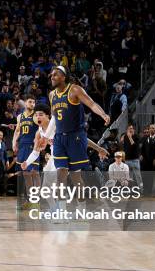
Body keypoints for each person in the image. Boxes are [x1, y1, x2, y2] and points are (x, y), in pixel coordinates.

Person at [41, 66, 110, 199]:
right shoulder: (51, 95)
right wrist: (47, 136)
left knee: (75, 176)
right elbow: (54, 118)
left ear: (64, 77)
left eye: (55, 74)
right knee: (60, 174)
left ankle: (82, 207)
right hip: (59, 138)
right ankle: (61, 213)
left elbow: (92, 104)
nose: (52, 77)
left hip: (75, 137)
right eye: (51, 75)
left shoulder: (74, 89)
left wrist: (103, 114)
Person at [12, 95, 40, 199]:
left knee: (34, 172)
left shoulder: (36, 115)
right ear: (25, 103)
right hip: (23, 145)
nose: (32, 104)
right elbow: (17, 130)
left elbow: (41, 128)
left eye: (34, 102)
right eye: (30, 102)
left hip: (33, 145)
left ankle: (37, 196)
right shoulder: (20, 116)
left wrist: (37, 137)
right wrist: (14, 142)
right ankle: (30, 197)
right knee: (25, 173)